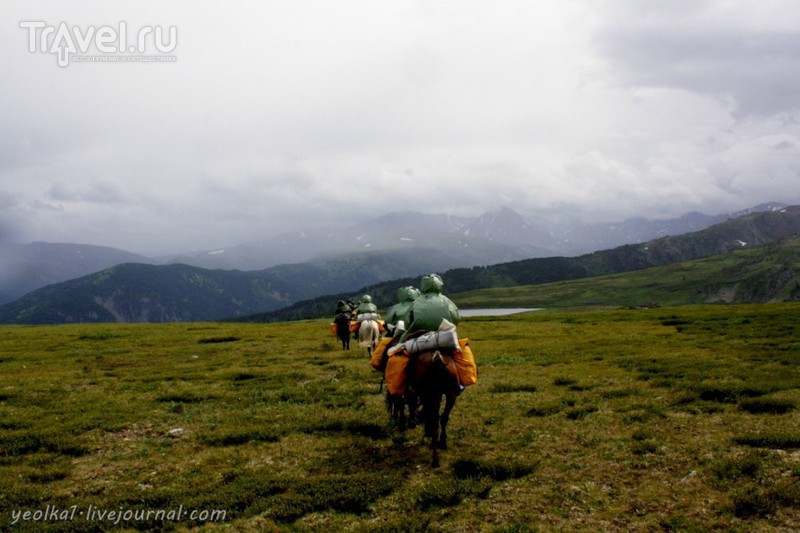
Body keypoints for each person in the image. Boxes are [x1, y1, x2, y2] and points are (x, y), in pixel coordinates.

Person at [401, 274, 459, 339]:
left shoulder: (416, 302)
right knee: (463, 345)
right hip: (446, 335)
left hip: (418, 337)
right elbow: (456, 319)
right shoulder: (447, 301)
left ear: (423, 286)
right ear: (439, 284)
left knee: (400, 344)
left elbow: (407, 324)